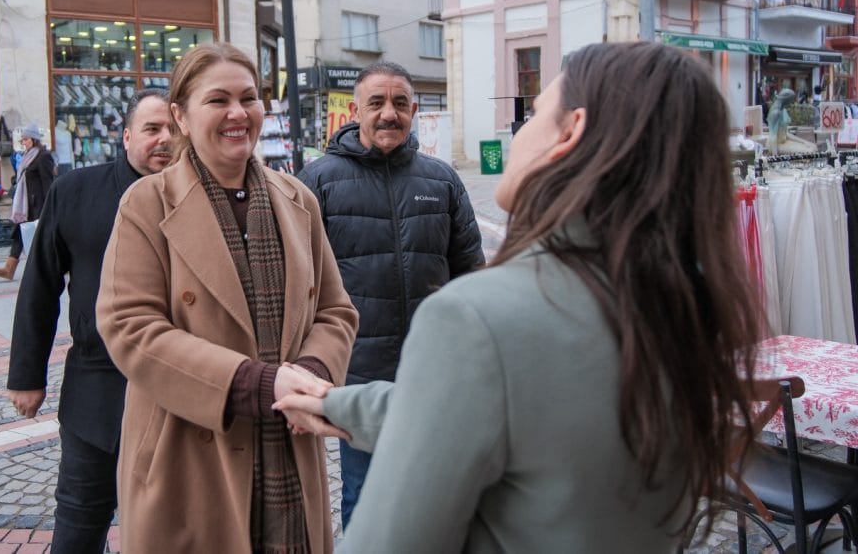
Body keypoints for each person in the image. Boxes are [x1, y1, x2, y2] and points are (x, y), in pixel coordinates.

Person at [277, 42, 765, 552]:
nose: (517, 135)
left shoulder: (475, 315)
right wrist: (338, 403)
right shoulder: (675, 298)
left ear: (570, 132)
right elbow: (496, 411)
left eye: (533, 116)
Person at [95, 43, 358, 553]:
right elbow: (129, 325)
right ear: (181, 116)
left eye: (249, 98)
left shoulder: (298, 198)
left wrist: (311, 374)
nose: (238, 113)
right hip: (187, 455)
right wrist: (253, 384)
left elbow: (335, 310)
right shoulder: (146, 203)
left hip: (288, 446)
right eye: (218, 100)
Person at [296, 60, 483, 528]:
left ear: (413, 111)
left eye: (400, 103)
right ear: (356, 110)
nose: (388, 113)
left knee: (437, 493)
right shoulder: (317, 182)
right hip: (359, 373)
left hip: (433, 371)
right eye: (376, 102)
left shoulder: (441, 180)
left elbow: (470, 275)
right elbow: (296, 282)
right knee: (365, 497)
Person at [5, 89, 173, 552]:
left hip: (177, 392)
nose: (164, 139)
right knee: (80, 523)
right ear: (126, 136)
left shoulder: (200, 196)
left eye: (173, 129)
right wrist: (26, 376)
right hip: (95, 392)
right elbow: (40, 285)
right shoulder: (75, 191)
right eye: (152, 129)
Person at [0, 123, 55, 280]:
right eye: (22, 140)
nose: (23, 142)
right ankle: (9, 269)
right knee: (19, 233)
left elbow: (48, 183)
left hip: (37, 205)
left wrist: (49, 206)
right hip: (25, 206)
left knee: (42, 237)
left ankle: (58, 264)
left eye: (25, 139)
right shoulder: (27, 156)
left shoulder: (43, 156)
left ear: (34, 139)